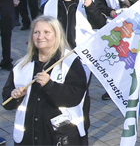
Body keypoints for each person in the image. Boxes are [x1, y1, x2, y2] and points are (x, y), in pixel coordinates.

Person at [2, 16, 88, 145]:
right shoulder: (21, 66)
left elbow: (75, 96)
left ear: (57, 34)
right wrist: (14, 95)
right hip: (28, 137)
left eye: (46, 32)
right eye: (36, 32)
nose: (40, 36)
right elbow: (7, 102)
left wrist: (50, 86)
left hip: (61, 137)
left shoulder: (70, 62)